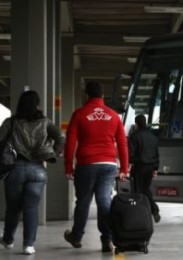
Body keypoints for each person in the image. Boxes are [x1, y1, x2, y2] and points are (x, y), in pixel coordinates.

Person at [63, 81, 129, 253]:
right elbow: (122, 143)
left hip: (86, 164)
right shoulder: (114, 116)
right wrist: (124, 169)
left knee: (83, 201)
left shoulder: (79, 114)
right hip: (108, 164)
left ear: (87, 95)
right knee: (104, 201)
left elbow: (70, 142)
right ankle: (107, 239)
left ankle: (76, 236)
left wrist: (68, 166)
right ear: (102, 96)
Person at [0, 90, 65, 255]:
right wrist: (52, 154)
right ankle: (28, 245)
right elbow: (61, 138)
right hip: (37, 170)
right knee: (31, 207)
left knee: (13, 208)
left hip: (15, 169)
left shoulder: (11, 122)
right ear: (37, 105)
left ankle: (8, 240)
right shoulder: (45, 122)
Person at [128, 114, 160, 223]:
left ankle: (139, 214)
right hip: (150, 168)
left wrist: (130, 162)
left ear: (136, 124)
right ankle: (154, 211)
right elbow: (156, 154)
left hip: (139, 167)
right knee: (146, 189)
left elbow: (130, 155)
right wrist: (155, 168)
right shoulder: (153, 137)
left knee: (137, 191)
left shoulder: (134, 136)